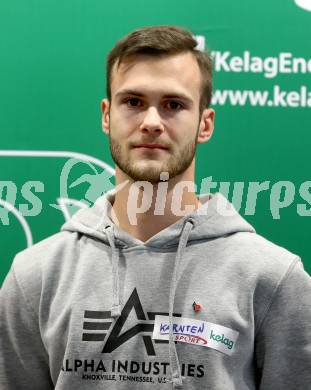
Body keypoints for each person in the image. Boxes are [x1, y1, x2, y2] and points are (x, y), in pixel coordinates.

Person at [0, 25, 310, 390]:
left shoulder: (273, 279)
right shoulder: (35, 276)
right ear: (106, 115)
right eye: (133, 102)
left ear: (204, 124)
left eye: (173, 105)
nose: (151, 122)